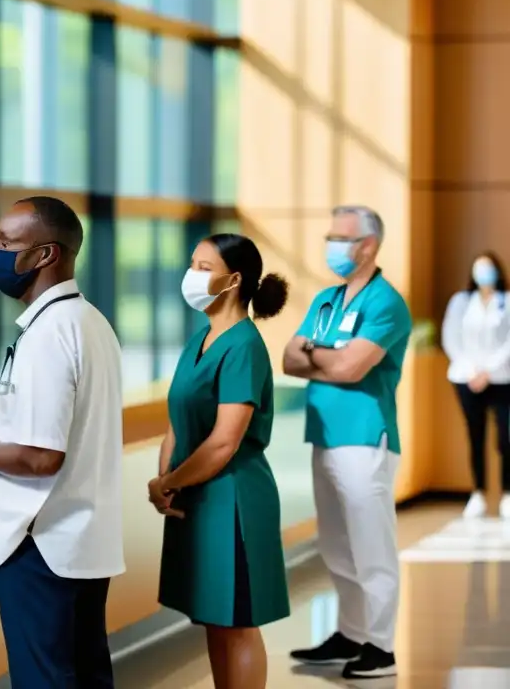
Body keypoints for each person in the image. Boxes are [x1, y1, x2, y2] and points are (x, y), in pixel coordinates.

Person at [0, 196, 124, 688]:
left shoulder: (52, 333)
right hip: (79, 538)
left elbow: (42, 456)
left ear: (46, 254)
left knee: (44, 679)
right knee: (86, 672)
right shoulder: (90, 323)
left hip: (40, 541)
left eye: (7, 243)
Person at [148, 233, 290, 689]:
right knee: (214, 618)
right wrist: (164, 479)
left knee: (237, 622)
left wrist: (171, 481)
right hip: (196, 496)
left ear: (234, 280)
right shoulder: (201, 340)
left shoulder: (244, 346)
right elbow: (177, 421)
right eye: (193, 263)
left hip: (233, 500)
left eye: (204, 267)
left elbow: (223, 443)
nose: (192, 275)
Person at [283, 205, 410, 679]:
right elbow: (288, 359)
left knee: (371, 544)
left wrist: (320, 353)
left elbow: (351, 368)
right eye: (331, 236)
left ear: (369, 246)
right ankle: (351, 632)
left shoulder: (385, 303)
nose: (332, 246)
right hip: (324, 435)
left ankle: (380, 647)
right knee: (335, 542)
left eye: (341, 237)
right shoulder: (326, 300)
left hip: (363, 438)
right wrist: (328, 354)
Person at [441, 251, 510, 519]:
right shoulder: (461, 301)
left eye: (489, 268)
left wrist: (489, 370)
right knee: (475, 434)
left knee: (506, 437)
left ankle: (506, 493)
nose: (484, 274)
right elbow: (451, 337)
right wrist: (472, 370)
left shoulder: (506, 301)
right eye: (479, 268)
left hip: (502, 378)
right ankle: (478, 492)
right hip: (466, 378)